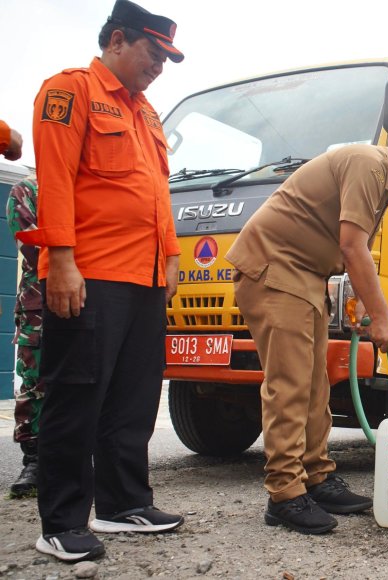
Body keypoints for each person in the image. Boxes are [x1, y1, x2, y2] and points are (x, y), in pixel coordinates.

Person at [15, 0, 185, 563]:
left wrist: (171, 258)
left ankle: (123, 504)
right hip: (90, 274)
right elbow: (55, 177)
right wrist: (60, 260)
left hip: (143, 276)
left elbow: (156, 193)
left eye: (167, 58)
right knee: (77, 398)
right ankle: (61, 521)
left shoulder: (148, 114)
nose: (160, 65)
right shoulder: (70, 91)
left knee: (135, 399)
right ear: (117, 40)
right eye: (153, 52)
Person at [226, 139, 388, 534]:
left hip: (305, 278)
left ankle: (316, 476)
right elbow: (352, 246)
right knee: (290, 384)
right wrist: (383, 319)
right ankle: (284, 493)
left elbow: (358, 246)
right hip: (275, 269)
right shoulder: (368, 164)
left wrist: (365, 303)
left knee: (315, 385)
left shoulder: (384, 186)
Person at [6, 176, 43, 498]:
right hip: (39, 306)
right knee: (34, 382)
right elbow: (30, 243)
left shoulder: (90, 187)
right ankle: (34, 461)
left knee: (84, 383)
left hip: (92, 301)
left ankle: (77, 456)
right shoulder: (29, 189)